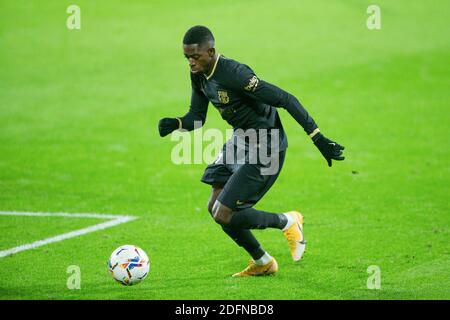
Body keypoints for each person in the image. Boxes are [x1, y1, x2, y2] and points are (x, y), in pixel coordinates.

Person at [158, 25, 345, 277]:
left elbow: (285, 99)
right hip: (241, 140)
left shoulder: (236, 74)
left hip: (267, 144)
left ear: (210, 51)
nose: (190, 62)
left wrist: (318, 138)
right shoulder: (199, 74)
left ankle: (288, 221)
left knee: (225, 213)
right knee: (214, 205)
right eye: (187, 58)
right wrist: (177, 124)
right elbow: (197, 118)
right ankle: (263, 261)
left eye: (195, 57)